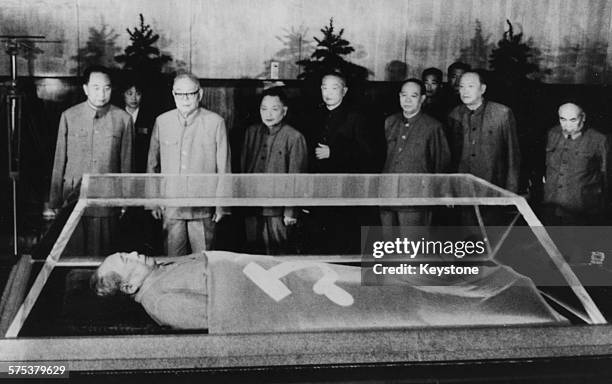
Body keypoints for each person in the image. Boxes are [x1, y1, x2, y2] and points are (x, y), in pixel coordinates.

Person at [90, 251, 566, 332]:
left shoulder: (165, 273)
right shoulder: (161, 301)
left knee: (388, 280)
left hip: (298, 278)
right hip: (300, 301)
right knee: (398, 299)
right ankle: (502, 300)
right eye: (126, 259)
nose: (133, 252)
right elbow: (233, 318)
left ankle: (495, 285)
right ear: (128, 283)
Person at [49, 65, 133, 256]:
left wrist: (125, 201)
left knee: (101, 257)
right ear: (85, 89)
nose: (102, 94)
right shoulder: (69, 116)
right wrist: (55, 200)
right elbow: (59, 160)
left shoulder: (123, 119)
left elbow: (127, 164)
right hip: (72, 198)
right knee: (72, 257)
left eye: (107, 88)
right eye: (96, 88)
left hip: (106, 200)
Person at [147, 72, 231, 255]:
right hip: (172, 205)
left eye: (190, 94)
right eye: (180, 94)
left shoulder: (215, 123)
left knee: (203, 260)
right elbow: (153, 165)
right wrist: (153, 201)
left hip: (202, 206)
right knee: (173, 261)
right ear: (173, 94)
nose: (185, 99)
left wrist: (222, 204)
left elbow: (224, 167)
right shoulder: (162, 122)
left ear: (199, 94)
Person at [306, 71, 379, 254]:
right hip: (319, 185)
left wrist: (334, 153)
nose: (328, 93)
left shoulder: (355, 116)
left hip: (344, 187)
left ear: (344, 91)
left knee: (342, 233)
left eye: (334, 88)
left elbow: (368, 154)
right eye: (324, 88)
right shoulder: (314, 114)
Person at [240, 87, 308, 254]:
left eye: (274, 109)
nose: (268, 114)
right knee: (253, 256)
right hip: (252, 206)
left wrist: (291, 211)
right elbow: (243, 168)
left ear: (284, 111)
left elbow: (296, 178)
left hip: (278, 211)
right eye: (264, 109)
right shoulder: (251, 132)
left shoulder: (294, 137)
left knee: (279, 256)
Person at [381, 79, 450, 227]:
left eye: (413, 96)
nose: (407, 100)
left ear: (422, 98)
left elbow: (441, 164)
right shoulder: (390, 121)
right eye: (403, 95)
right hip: (388, 194)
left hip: (416, 198)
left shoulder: (433, 127)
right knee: (388, 243)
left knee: (413, 245)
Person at [448, 71, 520, 193]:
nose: (465, 91)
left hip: (493, 186)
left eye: (470, 86)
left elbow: (512, 155)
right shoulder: (454, 115)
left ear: (482, 89)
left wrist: (511, 190)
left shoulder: (502, 113)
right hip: (462, 187)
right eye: (461, 87)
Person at [541, 102, 610, 225]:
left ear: (583, 118)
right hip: (552, 207)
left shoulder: (599, 139)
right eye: (563, 119)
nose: (567, 125)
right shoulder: (552, 133)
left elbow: (606, 177)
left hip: (581, 211)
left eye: (573, 120)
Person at [122, 80, 156, 173]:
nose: (134, 98)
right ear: (123, 94)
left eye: (138, 94)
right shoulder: (118, 116)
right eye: (130, 93)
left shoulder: (150, 118)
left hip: (143, 166)